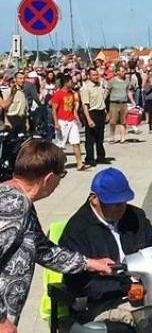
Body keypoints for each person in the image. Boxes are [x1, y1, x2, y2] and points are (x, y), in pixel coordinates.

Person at [0, 140, 113, 331]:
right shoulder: (13, 207)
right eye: (62, 175)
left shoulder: (21, 202)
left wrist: (90, 263)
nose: (59, 183)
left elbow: (43, 250)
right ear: (49, 178)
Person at [59, 167, 152, 328]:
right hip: (105, 301)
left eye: (124, 201)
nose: (121, 207)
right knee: (151, 324)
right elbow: (80, 283)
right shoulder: (77, 230)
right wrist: (125, 287)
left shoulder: (135, 216)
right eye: (114, 204)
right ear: (94, 199)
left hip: (149, 288)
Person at [51, 75, 86, 171]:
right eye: (71, 82)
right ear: (66, 83)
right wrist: (56, 123)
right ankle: (58, 166)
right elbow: (54, 110)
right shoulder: (58, 94)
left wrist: (78, 120)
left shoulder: (72, 93)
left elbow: (74, 109)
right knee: (60, 145)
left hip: (71, 121)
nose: (72, 83)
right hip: (62, 121)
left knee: (76, 142)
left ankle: (79, 163)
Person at [81, 68, 109, 166]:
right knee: (90, 138)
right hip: (92, 113)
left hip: (101, 112)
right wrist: (89, 119)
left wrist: (105, 112)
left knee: (100, 137)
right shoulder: (85, 88)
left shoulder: (99, 86)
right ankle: (90, 158)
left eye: (97, 75)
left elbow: (102, 100)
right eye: (93, 75)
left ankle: (101, 157)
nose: (96, 76)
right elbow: (85, 105)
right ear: (88, 76)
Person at [107, 66, 135, 143]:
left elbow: (129, 92)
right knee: (113, 122)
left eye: (124, 71)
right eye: (122, 71)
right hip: (114, 104)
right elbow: (107, 92)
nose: (123, 73)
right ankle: (112, 137)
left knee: (123, 122)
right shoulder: (112, 81)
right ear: (117, 72)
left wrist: (132, 101)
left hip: (124, 103)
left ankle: (123, 138)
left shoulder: (126, 81)